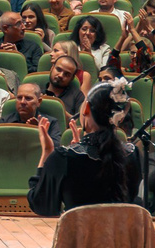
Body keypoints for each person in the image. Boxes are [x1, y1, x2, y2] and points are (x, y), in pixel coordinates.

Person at [27, 85, 137, 215]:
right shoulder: (132, 154)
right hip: (119, 228)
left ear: (86, 108)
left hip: (80, 228)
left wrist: (46, 152)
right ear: (120, 117)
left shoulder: (64, 157)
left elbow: (42, 206)